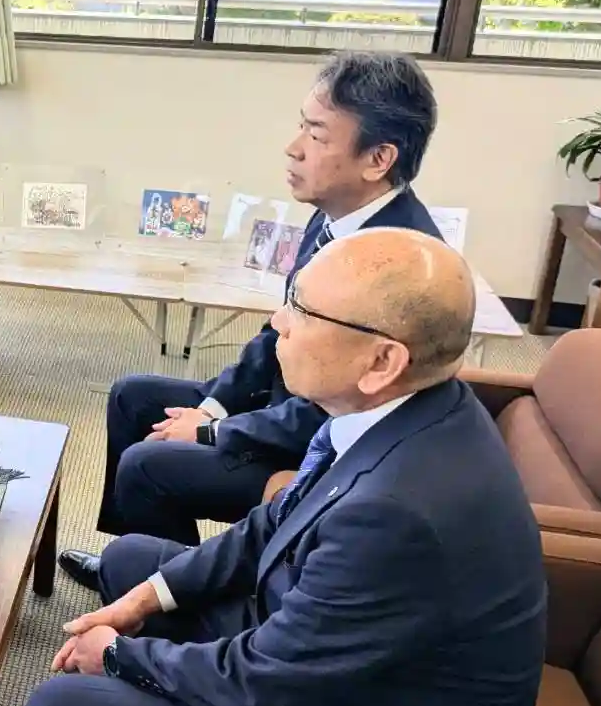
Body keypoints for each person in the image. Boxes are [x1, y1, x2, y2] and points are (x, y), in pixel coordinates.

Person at [22, 228, 547, 706]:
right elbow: (271, 524)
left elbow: (260, 677)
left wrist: (117, 656)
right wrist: (143, 600)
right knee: (132, 563)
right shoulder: (402, 415)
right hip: (334, 662)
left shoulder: (395, 514)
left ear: (382, 362)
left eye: (303, 310)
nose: (279, 322)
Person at [61, 50, 446, 589]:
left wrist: (212, 431)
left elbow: (332, 413)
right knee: (133, 397)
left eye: (316, 135)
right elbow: (279, 330)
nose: (293, 147)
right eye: (301, 126)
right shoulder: (335, 216)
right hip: (287, 402)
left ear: (378, 158)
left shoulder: (392, 265)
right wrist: (214, 405)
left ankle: (183, 598)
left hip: (322, 451)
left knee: (147, 463)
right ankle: (137, 564)